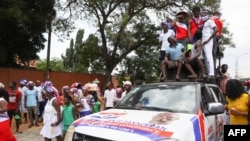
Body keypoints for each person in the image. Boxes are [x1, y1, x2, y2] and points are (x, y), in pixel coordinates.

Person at [201, 10, 218, 77]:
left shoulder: (210, 21)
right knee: (205, 58)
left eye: (205, 13)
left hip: (207, 41)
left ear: (209, 15)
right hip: (204, 41)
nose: (203, 15)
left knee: (209, 56)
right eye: (203, 13)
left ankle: (211, 73)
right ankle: (208, 72)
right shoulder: (205, 23)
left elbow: (216, 29)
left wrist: (208, 40)